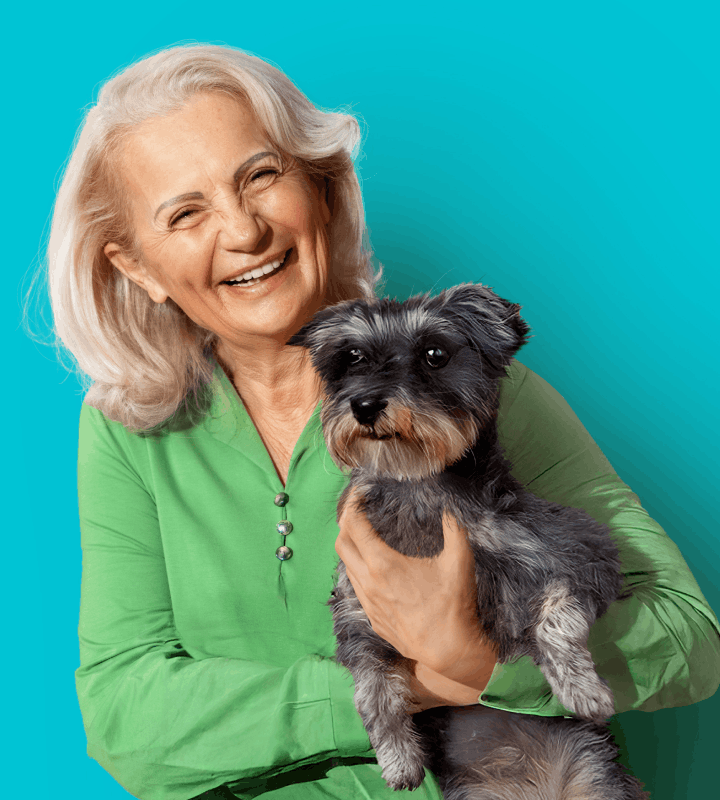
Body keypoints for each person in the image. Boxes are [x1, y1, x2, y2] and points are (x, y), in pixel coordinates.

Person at [46, 44, 720, 800]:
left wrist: (487, 662)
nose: (242, 232)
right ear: (136, 266)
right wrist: (417, 682)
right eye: (186, 213)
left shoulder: (472, 384)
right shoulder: (126, 432)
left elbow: (690, 637)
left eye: (261, 176)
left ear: (323, 188)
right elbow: (126, 719)